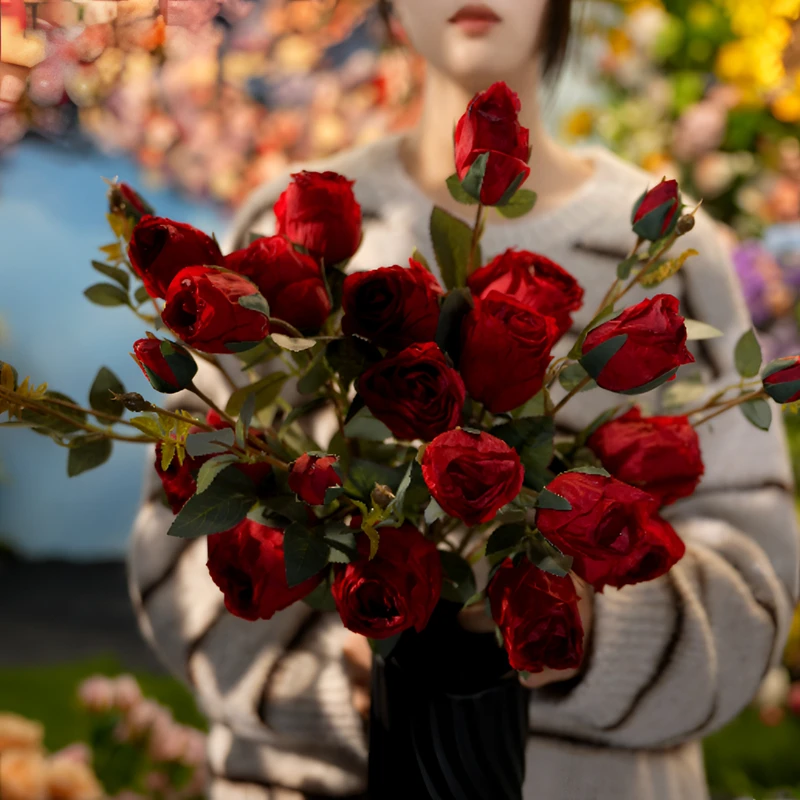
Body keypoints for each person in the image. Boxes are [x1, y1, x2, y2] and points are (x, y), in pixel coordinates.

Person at [128, 1, 800, 798]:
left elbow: (760, 580)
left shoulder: (664, 256)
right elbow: (178, 540)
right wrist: (341, 672)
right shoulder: (282, 231)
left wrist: (564, 627)